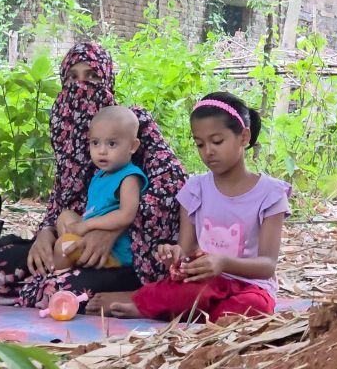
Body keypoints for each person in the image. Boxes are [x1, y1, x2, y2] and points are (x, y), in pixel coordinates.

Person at [0, 42, 187, 311]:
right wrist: (45, 234)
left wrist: (112, 230)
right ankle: (43, 284)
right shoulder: (67, 132)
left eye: (92, 76)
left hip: (126, 255)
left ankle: (127, 292)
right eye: (72, 77)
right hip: (75, 245)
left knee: (58, 290)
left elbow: (172, 185)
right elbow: (61, 202)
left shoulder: (130, 122)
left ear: (107, 79)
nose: (81, 86)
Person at [110, 92, 291, 323]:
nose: (208, 151)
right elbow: (185, 251)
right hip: (203, 283)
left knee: (255, 306)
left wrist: (223, 263)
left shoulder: (270, 193)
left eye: (217, 141)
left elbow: (267, 265)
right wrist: (174, 256)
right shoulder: (195, 189)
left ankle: (164, 309)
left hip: (251, 285)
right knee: (192, 292)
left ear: (243, 137)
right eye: (200, 144)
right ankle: (176, 308)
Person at [54, 106, 149, 270]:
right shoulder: (99, 175)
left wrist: (87, 226)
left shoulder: (129, 177)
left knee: (62, 245)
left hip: (115, 252)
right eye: (95, 143)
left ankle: (58, 277)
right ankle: (72, 261)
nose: (102, 151)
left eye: (112, 144)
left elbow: (126, 215)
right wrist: (83, 225)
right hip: (92, 232)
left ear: (133, 146)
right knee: (65, 216)